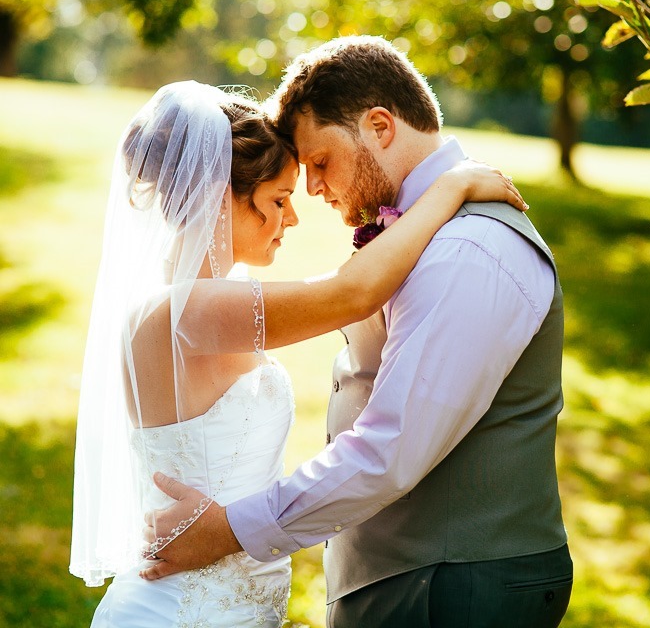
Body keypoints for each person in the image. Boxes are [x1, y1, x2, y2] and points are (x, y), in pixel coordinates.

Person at [143, 36, 572, 628]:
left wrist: (233, 530)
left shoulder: (468, 249)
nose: (312, 193)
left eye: (319, 163)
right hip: (407, 575)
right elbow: (348, 294)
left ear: (379, 125)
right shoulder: (428, 230)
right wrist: (449, 189)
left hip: (451, 585)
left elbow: (390, 448)